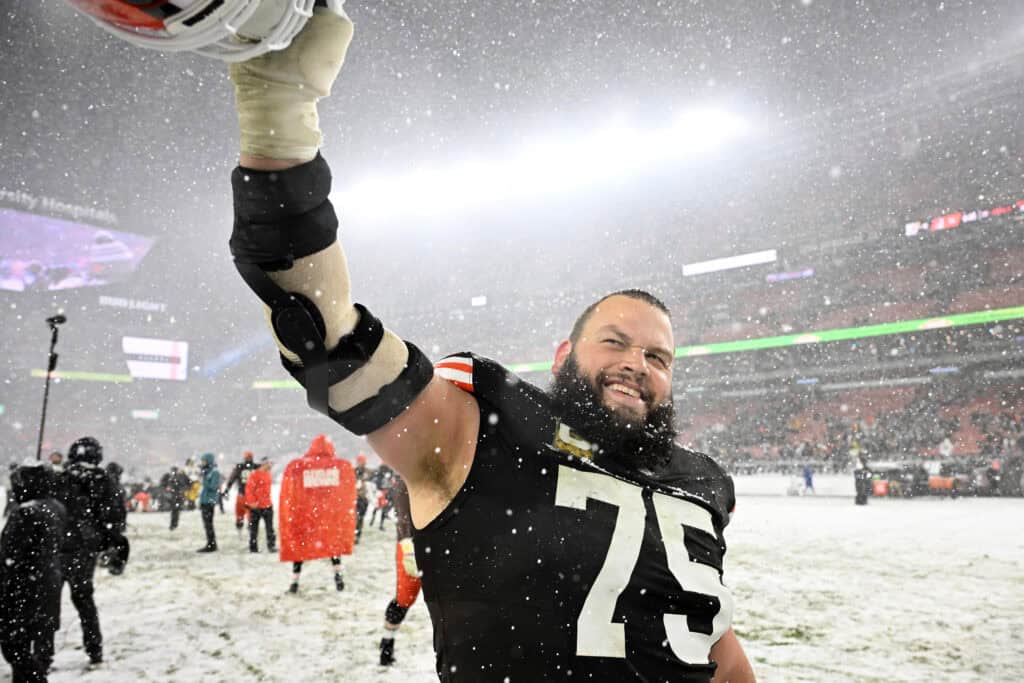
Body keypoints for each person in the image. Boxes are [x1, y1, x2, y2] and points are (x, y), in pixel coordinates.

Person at [220, 7, 755, 680]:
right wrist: (279, 116)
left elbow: (718, 648)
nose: (635, 365)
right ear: (563, 355)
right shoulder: (490, 428)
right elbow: (335, 347)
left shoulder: (701, 479)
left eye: (656, 356)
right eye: (614, 342)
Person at [54, 437, 126, 668]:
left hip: (57, 546)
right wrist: (111, 543)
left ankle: (42, 653)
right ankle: (94, 650)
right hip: (84, 548)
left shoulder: (60, 478)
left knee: (48, 602)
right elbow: (114, 517)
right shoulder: (103, 480)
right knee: (84, 599)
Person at [0, 462, 66, 681]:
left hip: (21, 587)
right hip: (48, 581)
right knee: (35, 640)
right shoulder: (55, 507)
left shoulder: (26, 512)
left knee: (15, 648)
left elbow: (9, 553)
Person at [278, 435, 356, 593]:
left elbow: (290, 493)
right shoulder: (341, 467)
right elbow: (347, 493)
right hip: (329, 521)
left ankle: (294, 582)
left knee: (299, 550)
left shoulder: (298, 466)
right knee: (333, 548)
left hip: (306, 519)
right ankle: (338, 578)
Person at [378, 477, 421, 667]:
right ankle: (387, 643)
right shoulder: (405, 481)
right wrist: (407, 543)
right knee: (405, 598)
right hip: (411, 544)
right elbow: (403, 515)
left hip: (437, 542)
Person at [221, 451, 259, 537]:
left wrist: (227, 490)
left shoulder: (241, 467)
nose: (248, 459)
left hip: (248, 495)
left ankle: (248, 534)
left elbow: (232, 479)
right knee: (241, 515)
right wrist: (227, 490)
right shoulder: (253, 467)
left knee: (247, 515)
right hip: (245, 495)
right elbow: (232, 479)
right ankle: (242, 532)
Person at [243, 458, 276, 553]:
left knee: (270, 528)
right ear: (264, 464)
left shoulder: (268, 474)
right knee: (254, 529)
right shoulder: (254, 475)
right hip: (256, 507)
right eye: (269, 463)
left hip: (268, 505)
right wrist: (252, 502)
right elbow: (249, 489)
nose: (271, 466)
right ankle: (253, 548)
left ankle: (271, 546)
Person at [195, 453, 221, 553]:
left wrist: (204, 479)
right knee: (206, 524)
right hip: (204, 501)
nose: (202, 463)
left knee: (209, 524)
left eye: (204, 461)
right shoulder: (206, 472)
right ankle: (210, 543)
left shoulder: (214, 472)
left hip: (209, 502)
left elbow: (213, 487)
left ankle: (212, 544)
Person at [165, 466, 191, 531]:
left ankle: (173, 525)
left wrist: (181, 490)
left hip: (176, 496)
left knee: (175, 511)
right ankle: (174, 525)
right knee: (176, 511)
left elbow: (186, 484)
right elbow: (188, 483)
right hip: (177, 496)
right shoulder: (177, 476)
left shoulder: (176, 477)